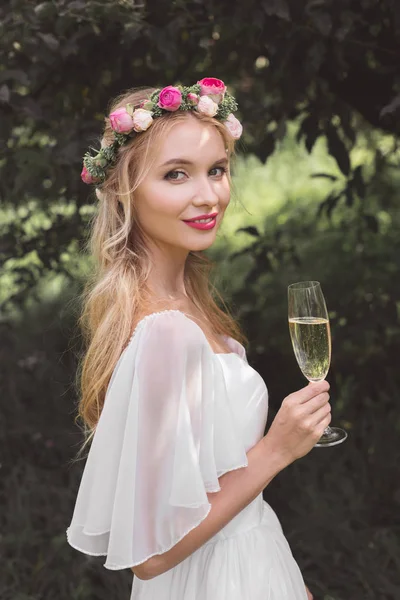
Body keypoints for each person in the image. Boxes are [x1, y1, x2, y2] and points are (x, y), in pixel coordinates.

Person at [66, 78, 331, 600]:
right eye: (175, 175)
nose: (208, 195)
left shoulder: (188, 302)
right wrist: (277, 450)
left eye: (217, 170)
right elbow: (149, 557)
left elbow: (228, 496)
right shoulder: (163, 331)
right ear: (125, 190)